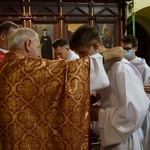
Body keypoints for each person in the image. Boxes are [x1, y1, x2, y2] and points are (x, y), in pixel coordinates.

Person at [0, 27, 125, 149]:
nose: (39, 54)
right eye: (38, 47)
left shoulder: (7, 67)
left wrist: (87, 98)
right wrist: (105, 55)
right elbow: (67, 72)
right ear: (28, 44)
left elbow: (43, 100)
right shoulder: (23, 66)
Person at [69, 24, 150, 150]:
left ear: (95, 46)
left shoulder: (121, 69)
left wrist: (100, 115)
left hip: (124, 141)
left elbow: (135, 111)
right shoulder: (104, 68)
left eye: (82, 53)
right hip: (112, 137)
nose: (81, 60)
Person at [121, 35, 150, 150]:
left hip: (141, 111)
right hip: (126, 110)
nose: (125, 51)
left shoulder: (143, 67)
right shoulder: (121, 64)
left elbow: (147, 90)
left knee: (142, 141)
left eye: (128, 49)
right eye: (123, 48)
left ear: (135, 49)